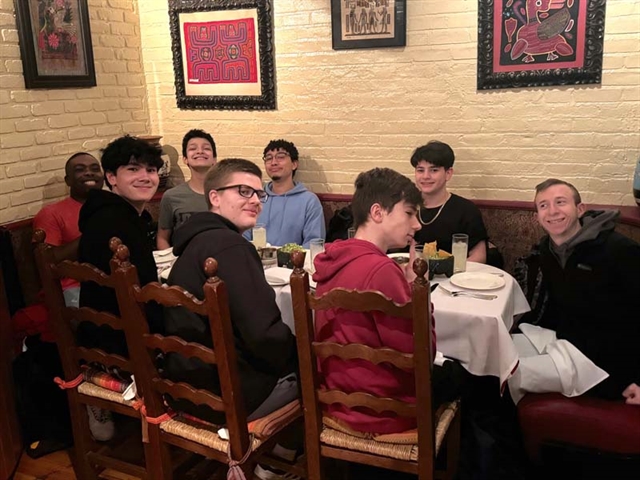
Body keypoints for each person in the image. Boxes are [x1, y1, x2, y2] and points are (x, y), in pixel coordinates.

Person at [312, 168, 468, 434]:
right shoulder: (381, 271)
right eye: (409, 213)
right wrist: (419, 292)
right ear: (377, 213)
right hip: (383, 411)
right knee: (465, 376)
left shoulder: (332, 259)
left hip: (338, 398)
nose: (418, 224)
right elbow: (422, 356)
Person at [508, 179, 640, 405]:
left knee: (504, 374)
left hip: (600, 363)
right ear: (537, 217)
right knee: (489, 353)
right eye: (544, 205)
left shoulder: (618, 250)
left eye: (560, 202)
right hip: (564, 339)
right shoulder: (548, 251)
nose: (553, 211)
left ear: (580, 209)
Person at [76, 135, 163, 441]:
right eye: (133, 169)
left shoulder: (119, 214)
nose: (146, 177)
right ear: (111, 177)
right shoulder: (115, 222)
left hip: (104, 331)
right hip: (121, 341)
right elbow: (140, 293)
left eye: (152, 170)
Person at [33, 152, 104, 307]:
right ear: (68, 180)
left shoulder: (111, 207)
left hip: (111, 281)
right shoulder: (51, 213)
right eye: (80, 169)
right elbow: (49, 261)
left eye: (95, 168)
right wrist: (94, 231)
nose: (89, 173)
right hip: (72, 288)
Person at [411, 141, 489, 263]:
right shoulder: (405, 207)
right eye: (420, 170)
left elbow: (479, 256)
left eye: (434, 170)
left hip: (452, 278)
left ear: (448, 173)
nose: (425, 176)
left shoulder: (466, 210)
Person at [244, 139, 325, 248]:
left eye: (280, 157)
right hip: (257, 261)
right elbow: (244, 236)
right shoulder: (255, 198)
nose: (273, 162)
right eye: (268, 158)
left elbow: (314, 243)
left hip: (295, 263)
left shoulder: (309, 201)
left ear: (294, 164)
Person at [156, 129, 216, 249]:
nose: (200, 151)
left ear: (214, 159)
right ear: (185, 159)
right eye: (193, 148)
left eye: (206, 148)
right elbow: (162, 237)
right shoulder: (171, 196)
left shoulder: (227, 194)